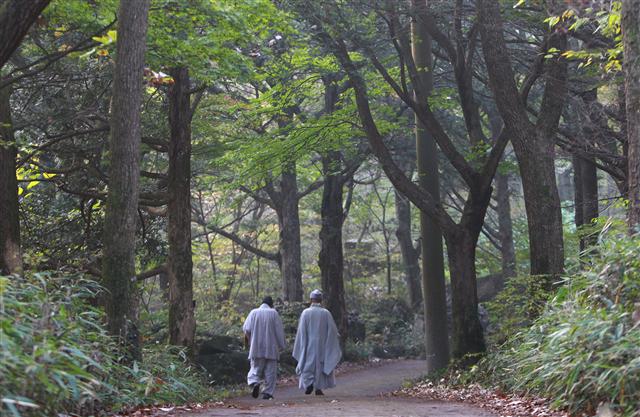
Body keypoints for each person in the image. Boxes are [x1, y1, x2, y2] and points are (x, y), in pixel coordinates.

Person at [292, 289, 342, 396]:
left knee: (307, 364)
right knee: (321, 366)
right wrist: (333, 340)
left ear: (311, 300)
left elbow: (301, 331)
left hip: (308, 344)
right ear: (321, 300)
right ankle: (318, 387)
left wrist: (302, 344)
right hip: (322, 345)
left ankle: (309, 383)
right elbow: (333, 331)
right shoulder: (326, 313)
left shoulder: (306, 313)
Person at [242, 296, 286, 400]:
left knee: (255, 368)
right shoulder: (274, 313)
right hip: (271, 347)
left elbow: (246, 329)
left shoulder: (253, 312)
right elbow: (279, 331)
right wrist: (281, 345)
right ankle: (268, 393)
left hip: (256, 346)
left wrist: (250, 341)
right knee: (270, 371)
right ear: (271, 304)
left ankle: (255, 383)